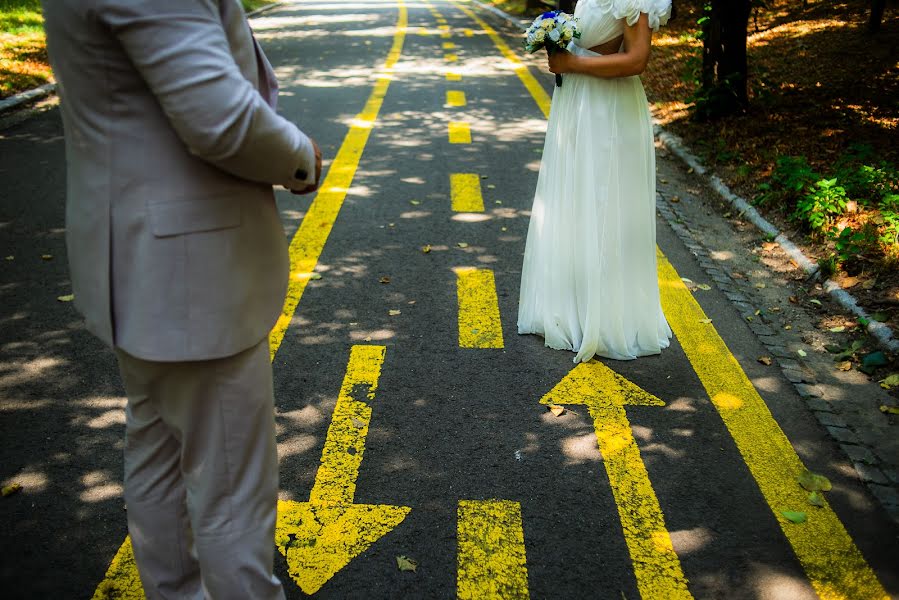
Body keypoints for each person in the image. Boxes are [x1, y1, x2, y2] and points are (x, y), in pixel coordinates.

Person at [41, 1, 322, 597]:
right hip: (192, 272)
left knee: (159, 453)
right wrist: (302, 158)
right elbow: (219, 117)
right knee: (231, 495)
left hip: (139, 262)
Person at [517, 0, 673, 362]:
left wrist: (573, 62)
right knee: (576, 202)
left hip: (608, 110)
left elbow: (637, 59)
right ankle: (575, 306)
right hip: (578, 101)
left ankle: (608, 318)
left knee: (604, 203)